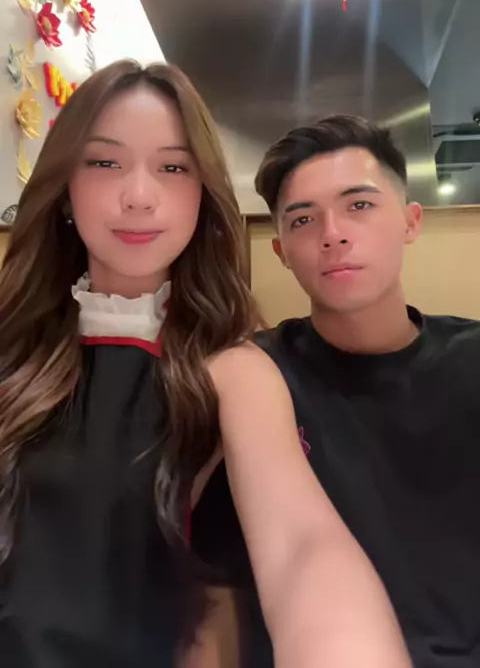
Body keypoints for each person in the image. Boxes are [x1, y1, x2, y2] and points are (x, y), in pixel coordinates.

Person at [0, 71, 410, 668]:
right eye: (105, 163)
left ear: (202, 194)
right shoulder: (14, 348)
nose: (139, 195)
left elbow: (302, 546)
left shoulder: (233, 370)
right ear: (65, 190)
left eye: (173, 167)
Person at [194, 114, 480, 667]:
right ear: (281, 251)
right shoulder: (253, 379)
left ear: (410, 221)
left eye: (359, 205)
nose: (333, 234)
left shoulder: (470, 359)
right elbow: (213, 586)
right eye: (303, 219)